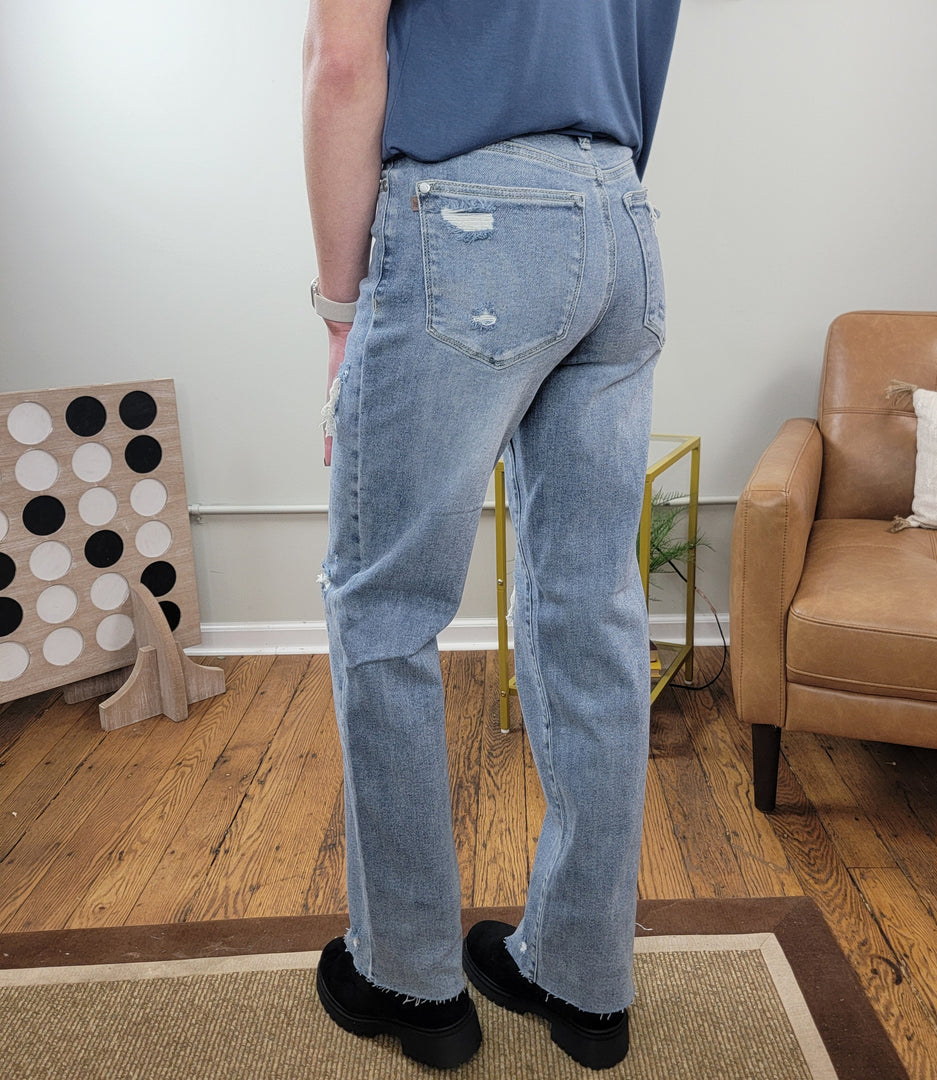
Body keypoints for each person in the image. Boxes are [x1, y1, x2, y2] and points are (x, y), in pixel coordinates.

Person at [303, 0, 681, 1070]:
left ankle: (409, 976)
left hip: (468, 216)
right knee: (592, 613)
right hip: (621, 214)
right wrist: (583, 200)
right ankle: (583, 974)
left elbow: (340, 58)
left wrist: (340, 315)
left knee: (386, 604)